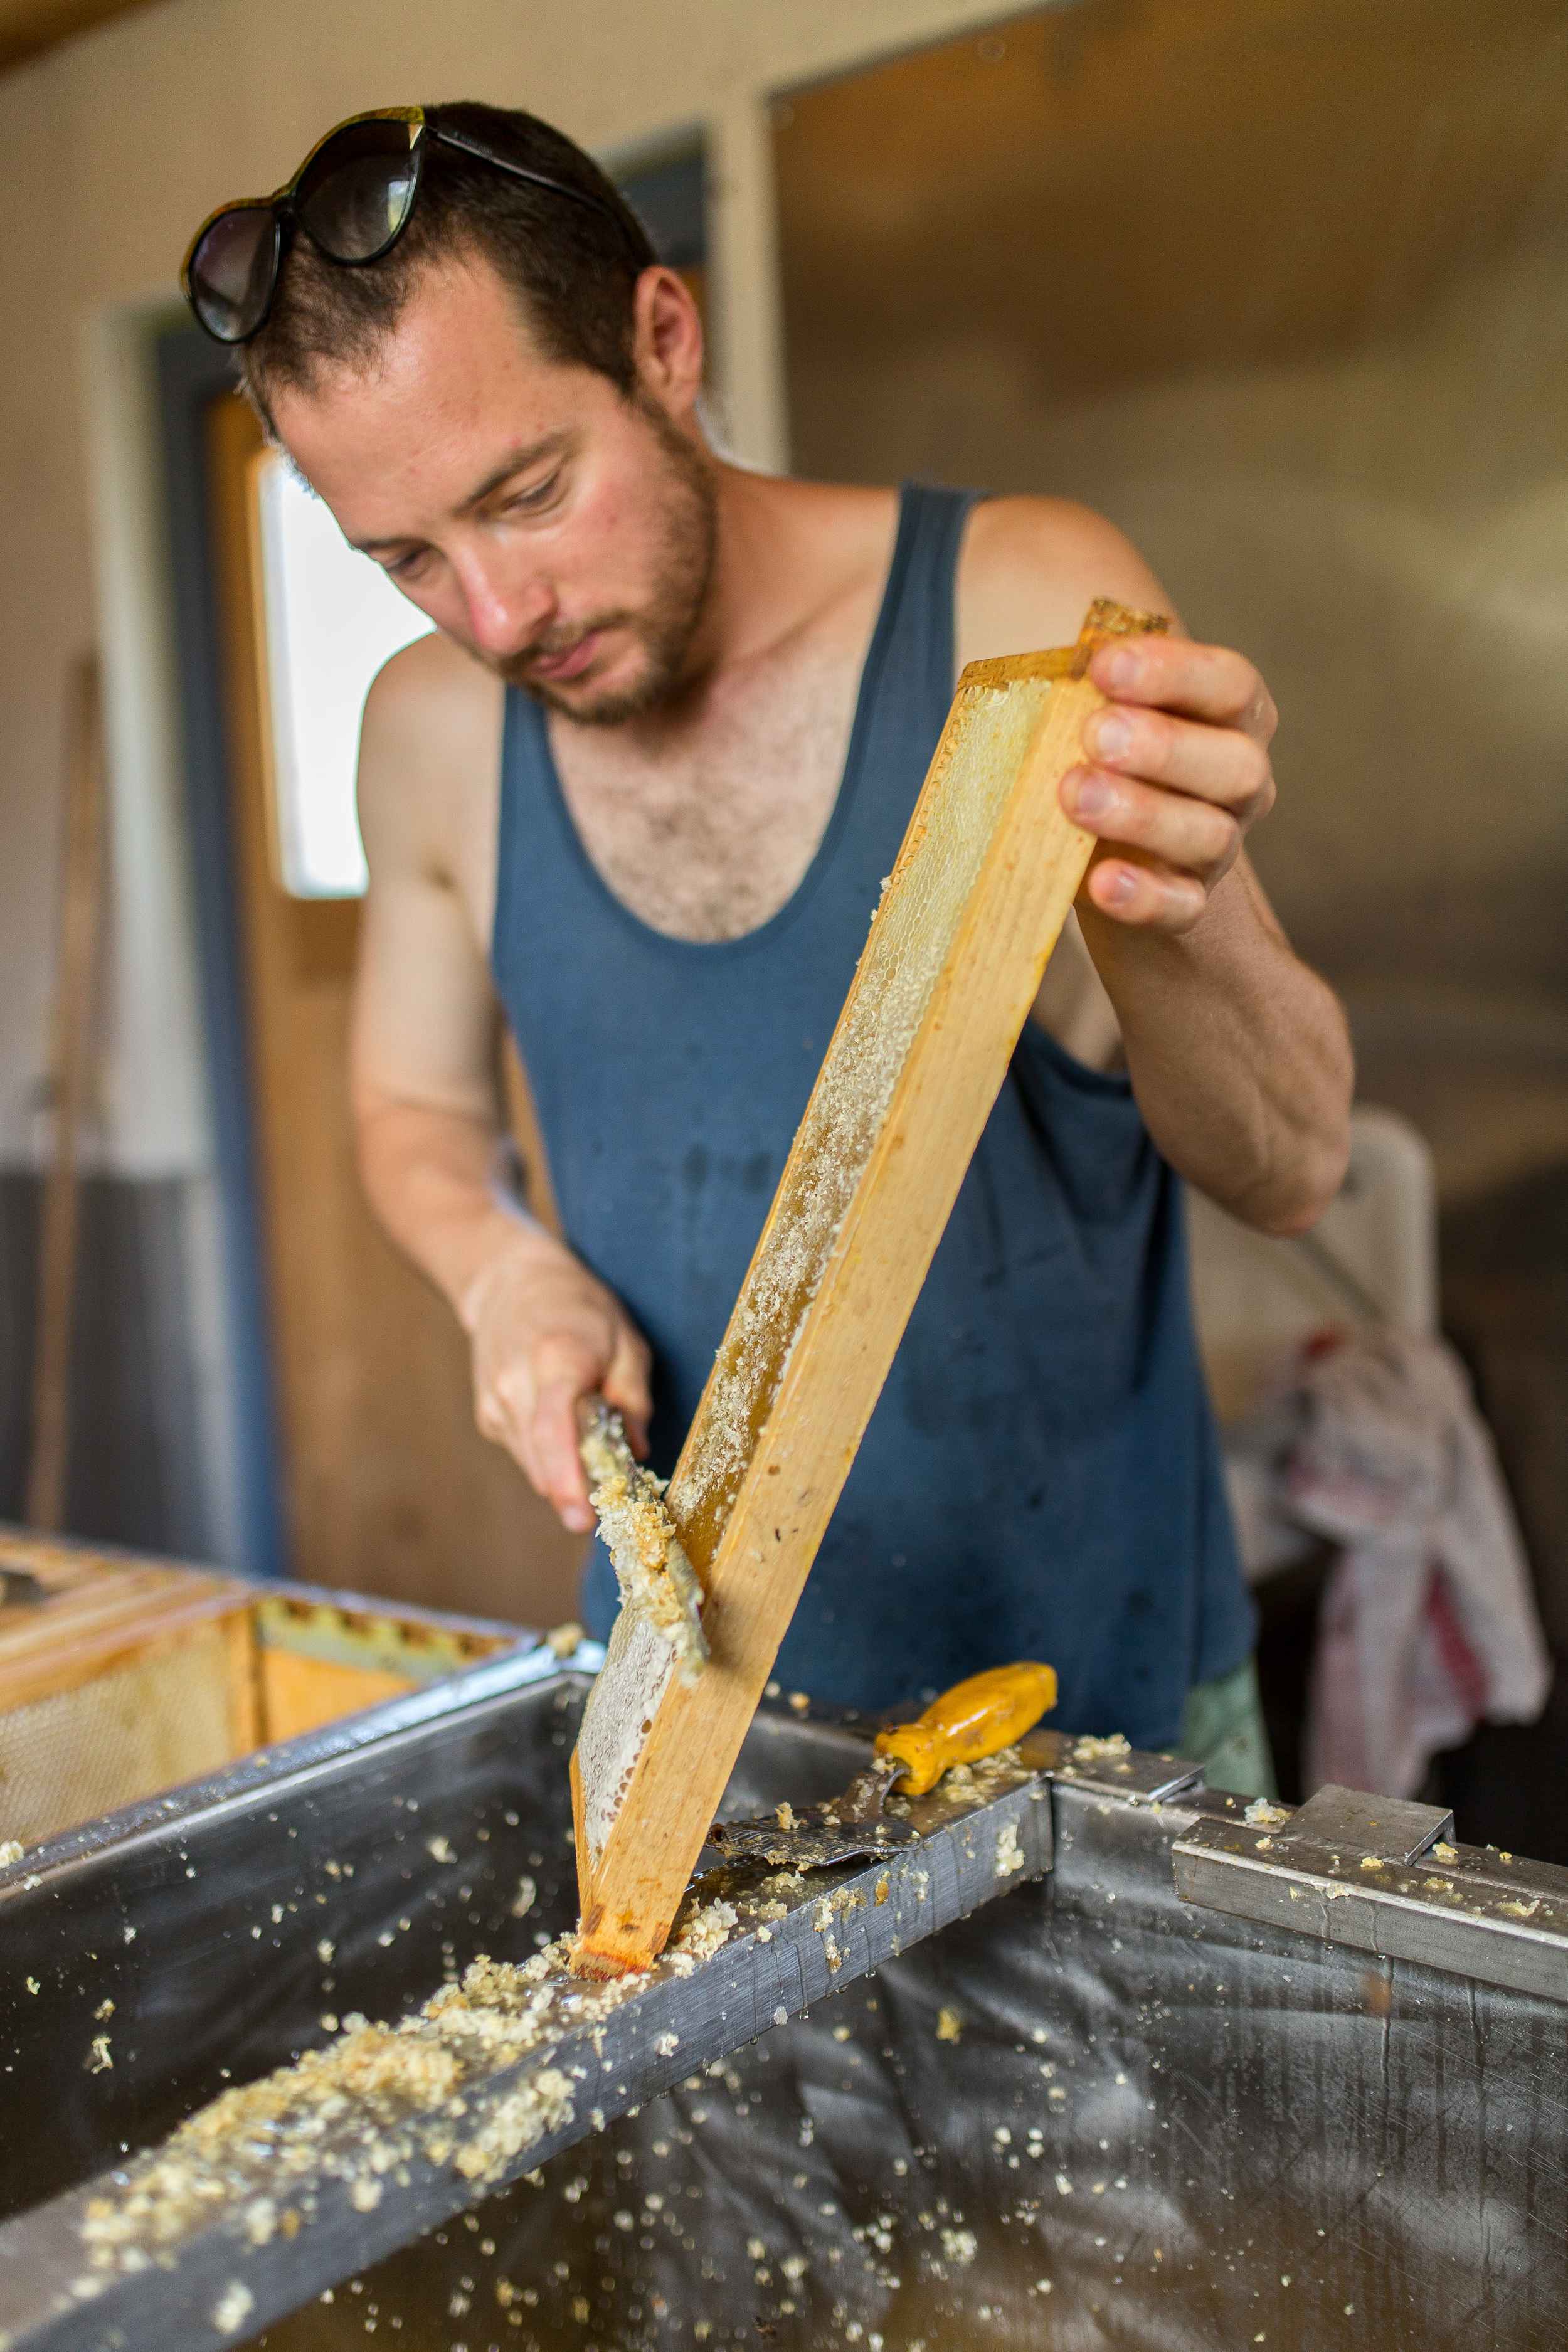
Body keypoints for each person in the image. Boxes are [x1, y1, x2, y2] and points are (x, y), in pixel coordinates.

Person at [181, 102, 1353, 1787]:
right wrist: (501, 1272)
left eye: (527, 493)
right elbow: (416, 1114)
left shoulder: (1018, 605)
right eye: (407, 557)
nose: (495, 616)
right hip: (684, 1735)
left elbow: (1291, 1167)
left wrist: (1197, 900)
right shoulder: (426, 732)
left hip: (1102, 1722)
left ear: (663, 340)